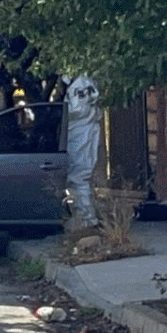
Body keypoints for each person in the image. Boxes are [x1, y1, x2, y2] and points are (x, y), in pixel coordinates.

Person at [64, 75, 102, 228]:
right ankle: (85, 215)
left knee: (79, 176)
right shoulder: (87, 83)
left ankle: (87, 218)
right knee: (81, 176)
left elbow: (76, 110)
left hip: (80, 133)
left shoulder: (78, 86)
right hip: (85, 130)